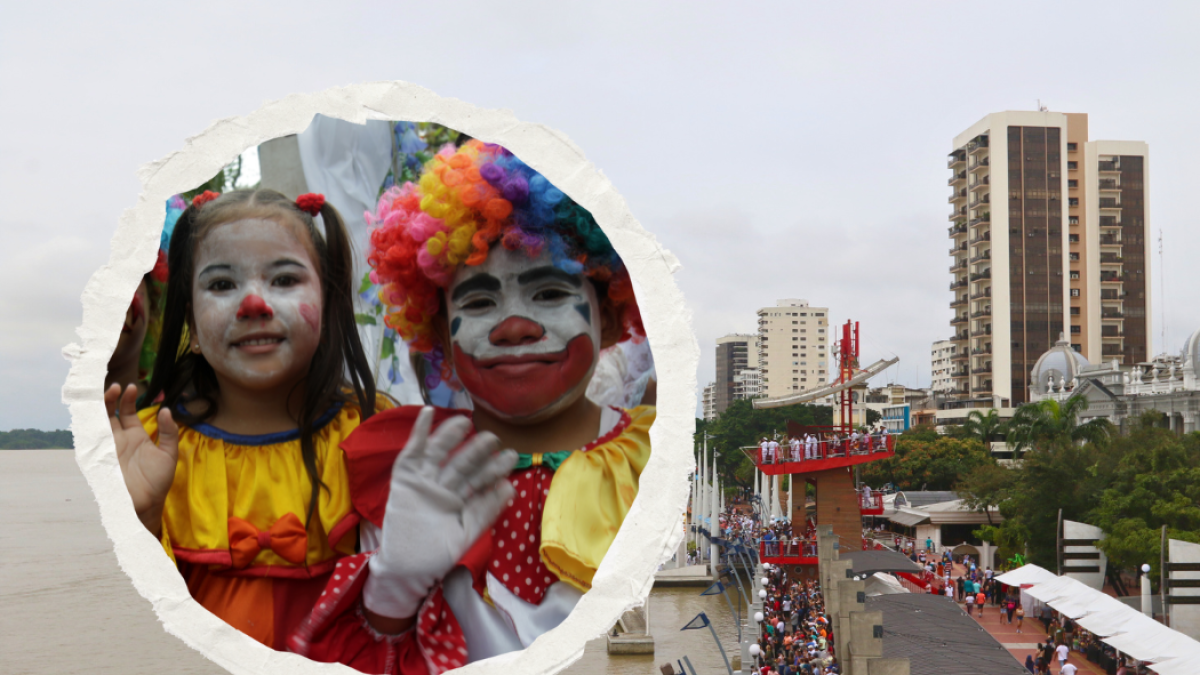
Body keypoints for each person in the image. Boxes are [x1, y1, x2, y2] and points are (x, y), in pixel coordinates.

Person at [108, 189, 514, 671]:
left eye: (283, 279)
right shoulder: (148, 447)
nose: (254, 303)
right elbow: (128, 633)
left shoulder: (379, 437)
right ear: (191, 326)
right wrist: (141, 521)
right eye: (221, 285)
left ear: (328, 303)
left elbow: (417, 615)